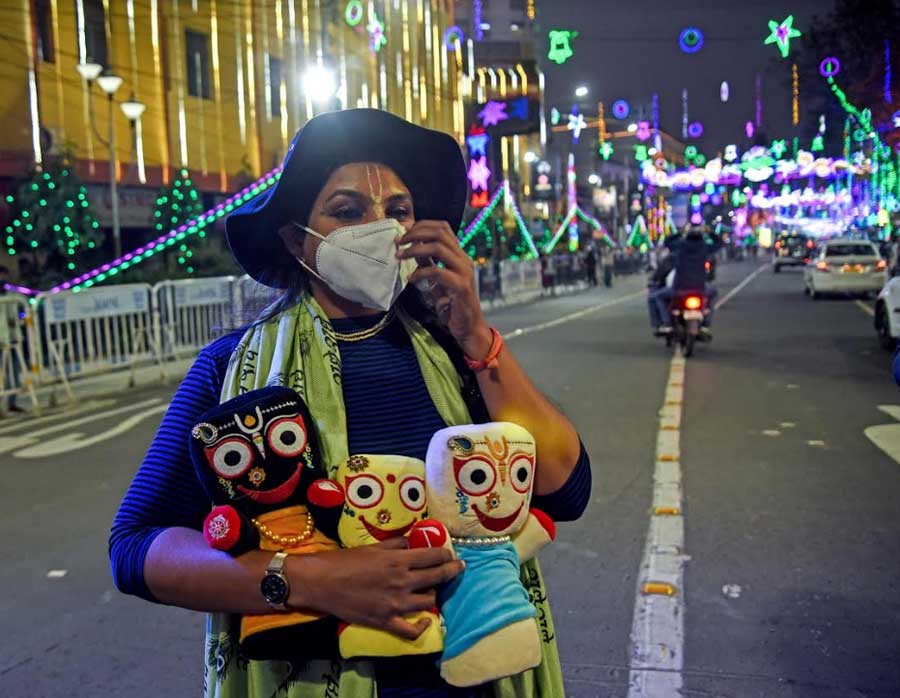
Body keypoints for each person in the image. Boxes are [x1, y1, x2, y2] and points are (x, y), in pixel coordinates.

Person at [109, 109, 591, 698]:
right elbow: (136, 546)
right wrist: (305, 579)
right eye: (347, 211)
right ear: (297, 240)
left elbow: (564, 489)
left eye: (398, 211)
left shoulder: (453, 355)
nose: (380, 229)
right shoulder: (232, 369)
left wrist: (476, 337)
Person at [671, 226, 719, 337]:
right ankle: (706, 323)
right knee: (713, 294)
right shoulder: (704, 247)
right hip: (699, 286)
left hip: (680, 286)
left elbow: (667, 242)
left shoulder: (680, 246)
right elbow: (719, 243)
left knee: (670, 301)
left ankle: (670, 323)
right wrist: (710, 231)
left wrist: (679, 232)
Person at [647, 246, 675, 335]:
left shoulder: (671, 258)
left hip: (676, 289)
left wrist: (654, 280)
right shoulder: (698, 255)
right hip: (698, 288)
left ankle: (663, 323)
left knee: (655, 297)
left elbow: (659, 274)